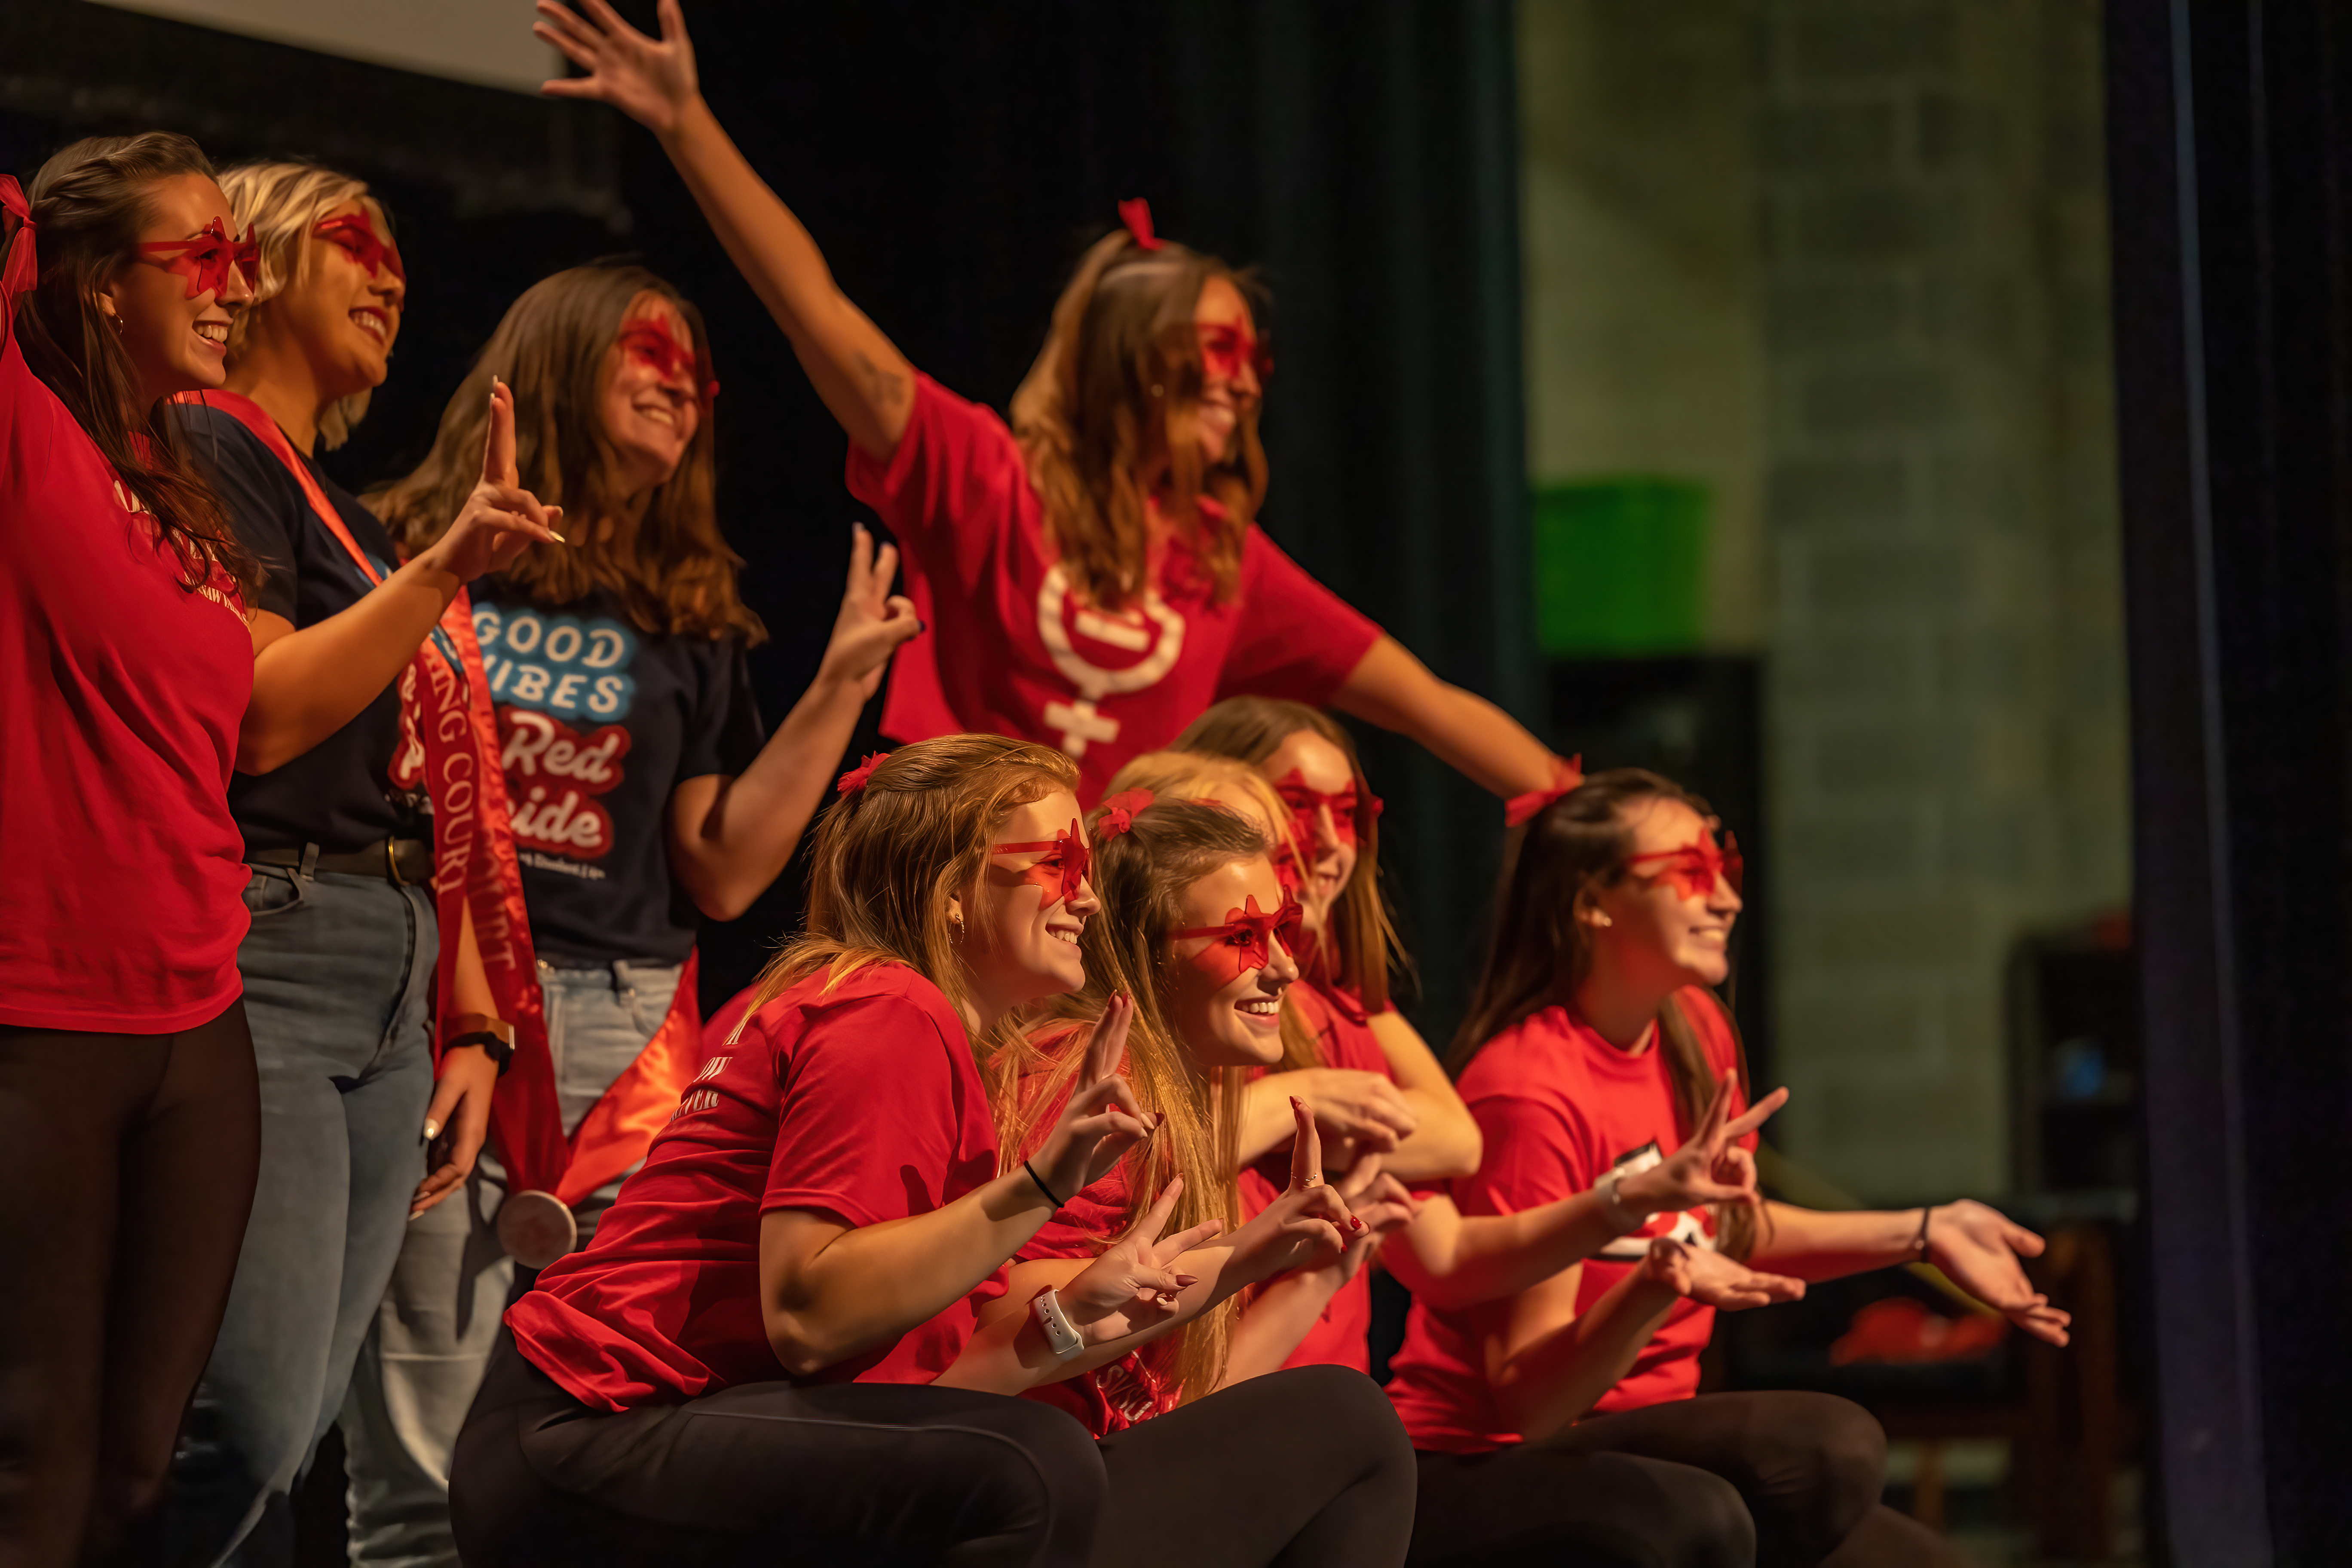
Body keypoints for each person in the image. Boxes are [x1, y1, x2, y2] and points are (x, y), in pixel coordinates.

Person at [530, 0, 1566, 803]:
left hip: (1098, 941)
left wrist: (1600, 826)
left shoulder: (1218, 562)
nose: (1246, 380)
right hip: (952, 904)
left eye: (1255, 359)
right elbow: (814, 310)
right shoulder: (982, 476)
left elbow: (1429, 705)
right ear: (1128, 364)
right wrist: (685, 122)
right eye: (1215, 349)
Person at [454, 736, 1415, 1567]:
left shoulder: (928, 1034)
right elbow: (808, 1317)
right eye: (1056, 864)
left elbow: (955, 1364)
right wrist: (1043, 1187)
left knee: (1322, 1424)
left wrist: (1229, 1261)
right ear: (955, 890)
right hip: (583, 1434)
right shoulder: (889, 1009)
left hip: (629, 1434)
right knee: (1032, 1467)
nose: (1087, 898)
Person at [344, 258, 921, 1566]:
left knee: (636, 1439)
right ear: (556, 354)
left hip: (633, 1044)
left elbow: (721, 869)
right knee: (420, 1473)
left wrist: (838, 686)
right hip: (449, 1005)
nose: (683, 384)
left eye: (697, 372)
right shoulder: (409, 554)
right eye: (648, 353)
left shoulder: (691, 618)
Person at [158, 160, 562, 1564]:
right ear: (253, 265)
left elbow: (432, 791)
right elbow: (264, 714)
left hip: (390, 967)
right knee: (253, 1416)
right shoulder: (210, 446)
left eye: (399, 251)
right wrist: (442, 571)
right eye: (353, 244)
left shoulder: (354, 517)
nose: (392, 273)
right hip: (276, 944)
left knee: (311, 1418)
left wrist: (471, 1019)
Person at [1382, 769, 2070, 1567]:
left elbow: (1732, 1229)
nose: (1727, 900)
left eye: (1725, 869)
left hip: (1643, 1443)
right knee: (1820, 1453)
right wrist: (1655, 1285)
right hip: (1491, 1460)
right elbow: (1533, 1400)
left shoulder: (1692, 1029)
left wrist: (1924, 1231)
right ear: (1592, 901)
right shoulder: (1529, 1089)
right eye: (1689, 874)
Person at [0, 132, 263, 1567]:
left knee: (143, 1467)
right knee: (30, 1449)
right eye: (203, 254)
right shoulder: (20, 429)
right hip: (42, 1017)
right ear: (99, 285)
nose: (241, 284)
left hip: (200, 1020)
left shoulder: (176, 485)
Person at [996, 792, 1428, 1437]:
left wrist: (1316, 1267)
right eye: (1241, 938)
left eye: (1282, 930)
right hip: (1039, 1468)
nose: (1285, 966)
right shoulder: (1098, 1084)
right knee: (1346, 1422)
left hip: (1099, 1462)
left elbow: (1181, 1405)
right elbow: (1002, 1321)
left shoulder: (1173, 1091)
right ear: (1151, 954)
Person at [1098, 742, 1482, 1376]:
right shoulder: (1102, 1082)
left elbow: (1456, 1147)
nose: (1322, 846)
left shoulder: (1304, 1018)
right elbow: (1134, 1385)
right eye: (1242, 933)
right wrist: (1286, 1103)